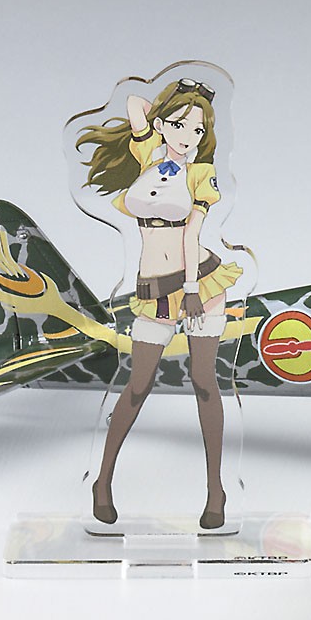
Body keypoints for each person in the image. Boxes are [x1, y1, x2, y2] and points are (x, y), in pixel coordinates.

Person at [76, 78, 242, 529]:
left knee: (205, 381)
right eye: (180, 125)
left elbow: (192, 235)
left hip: (199, 284)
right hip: (152, 291)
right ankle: (102, 482)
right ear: (163, 124)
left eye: (198, 129)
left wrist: (190, 289)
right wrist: (179, 95)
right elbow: (133, 102)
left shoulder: (200, 175)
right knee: (138, 384)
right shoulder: (148, 155)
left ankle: (216, 490)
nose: (189, 137)